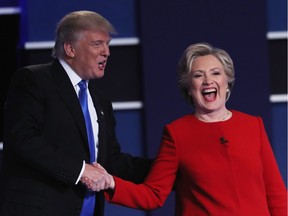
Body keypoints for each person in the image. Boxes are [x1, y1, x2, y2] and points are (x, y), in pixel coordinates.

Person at [101, 42, 287, 215]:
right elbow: (154, 194)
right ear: (189, 87)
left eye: (215, 73)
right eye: (198, 75)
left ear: (227, 82)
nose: (208, 80)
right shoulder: (177, 133)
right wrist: (111, 183)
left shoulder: (253, 125)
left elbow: (276, 193)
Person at [0, 10, 151, 216]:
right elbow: (23, 139)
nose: (107, 52)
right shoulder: (33, 80)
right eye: (98, 44)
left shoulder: (100, 101)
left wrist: (170, 169)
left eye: (108, 44)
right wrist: (80, 171)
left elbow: (112, 162)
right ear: (70, 48)